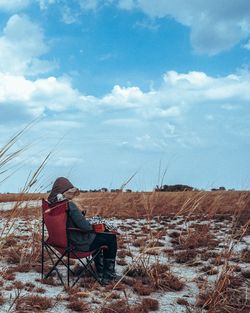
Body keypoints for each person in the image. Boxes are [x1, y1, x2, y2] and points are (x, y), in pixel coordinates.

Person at [48, 177, 119, 284]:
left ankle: (100, 270)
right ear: (63, 193)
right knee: (110, 237)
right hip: (78, 244)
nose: (71, 195)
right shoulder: (68, 205)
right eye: (69, 192)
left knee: (101, 236)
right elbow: (86, 227)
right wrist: (95, 225)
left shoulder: (51, 207)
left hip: (61, 244)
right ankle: (108, 275)